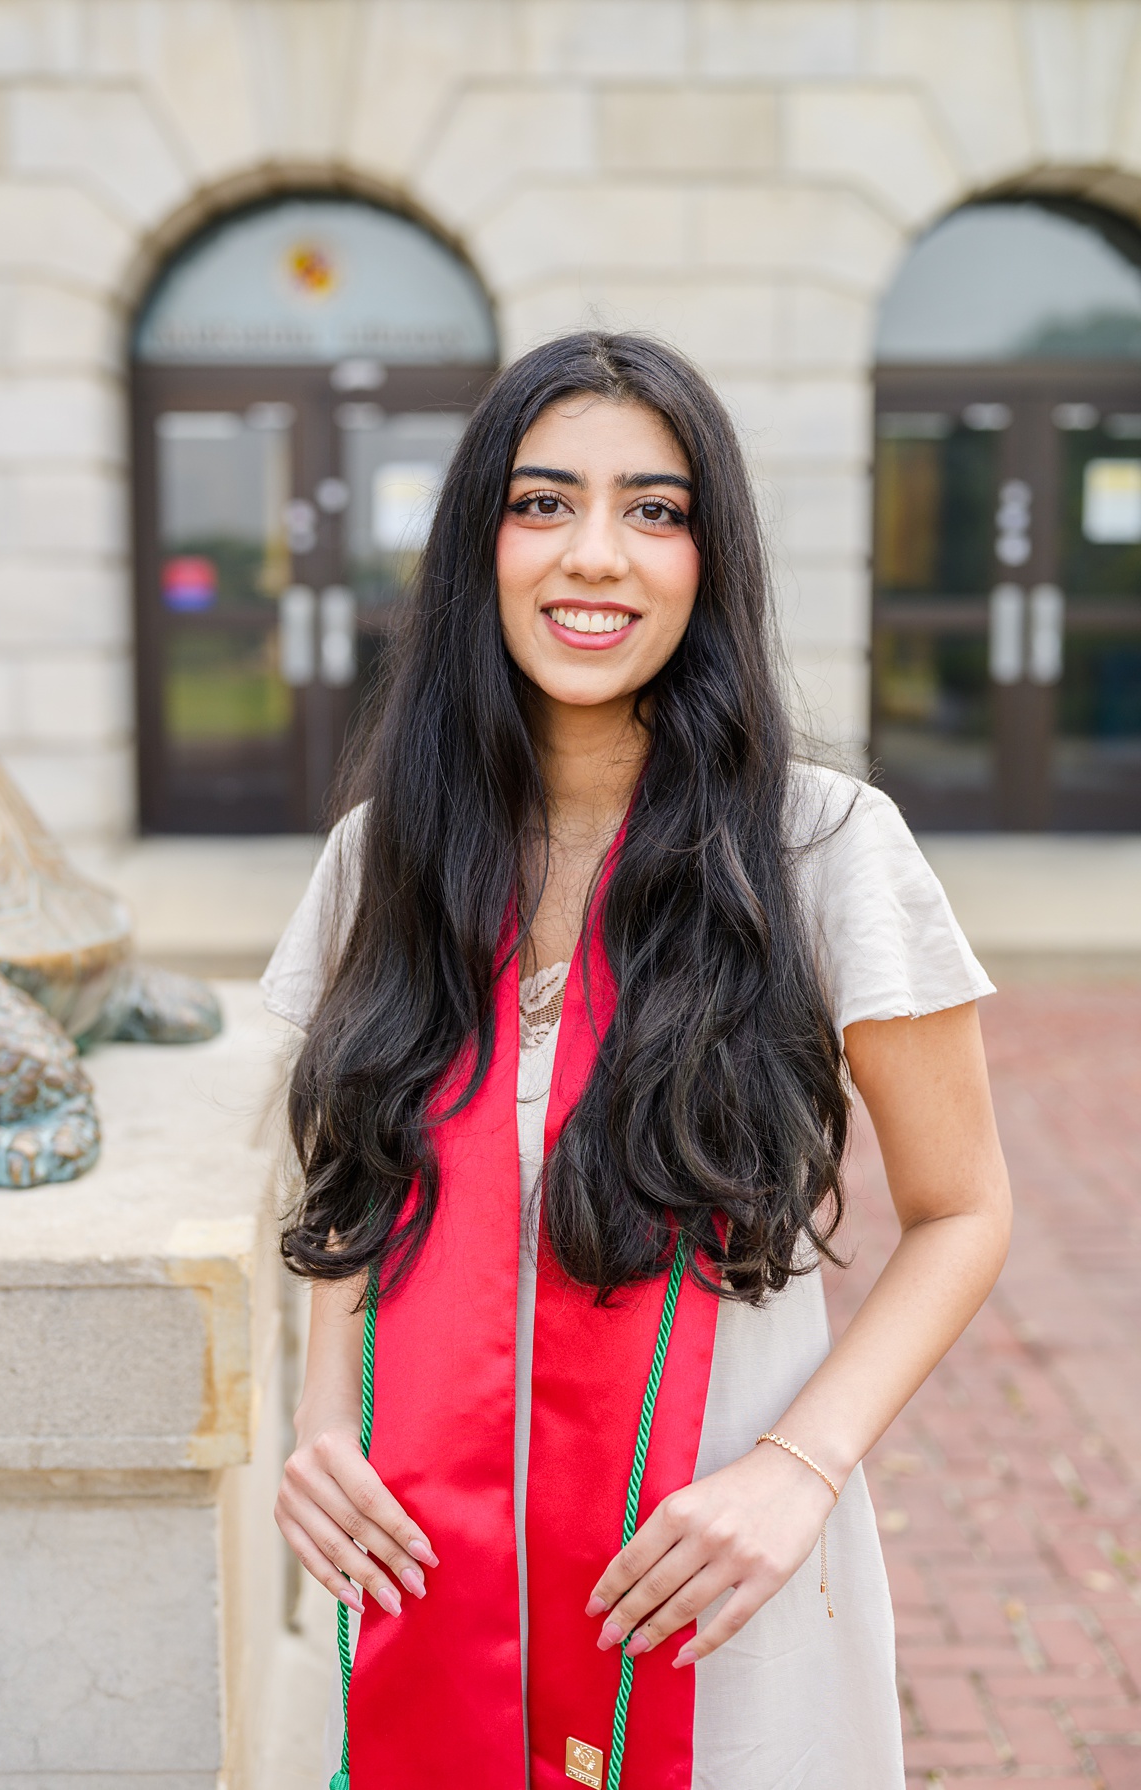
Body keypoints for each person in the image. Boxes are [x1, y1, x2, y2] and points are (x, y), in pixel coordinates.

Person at [263, 332, 1013, 1787]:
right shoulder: (389, 861)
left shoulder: (822, 850)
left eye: (653, 510)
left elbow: (965, 1210)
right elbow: (351, 1173)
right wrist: (318, 1422)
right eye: (542, 504)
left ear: (707, 558)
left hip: (715, 1585)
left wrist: (795, 1475)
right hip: (435, 1586)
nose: (593, 554)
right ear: (479, 544)